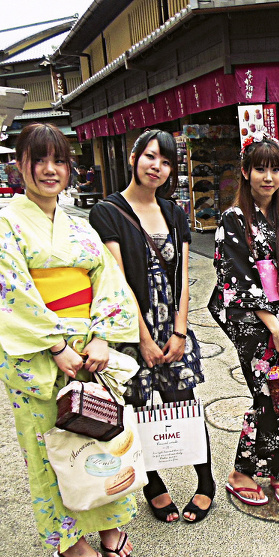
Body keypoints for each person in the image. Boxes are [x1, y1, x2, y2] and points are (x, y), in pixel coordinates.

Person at [0, 123, 138, 557]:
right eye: (39, 160)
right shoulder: (5, 225)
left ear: (70, 169)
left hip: (89, 351)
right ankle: (71, 541)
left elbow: (107, 281)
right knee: (52, 447)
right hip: (42, 354)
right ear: (20, 166)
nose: (50, 170)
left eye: (59, 161)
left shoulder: (78, 227)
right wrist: (56, 345)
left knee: (100, 437)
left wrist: (103, 336)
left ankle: (109, 522)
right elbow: (7, 295)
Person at [89, 130, 213, 524]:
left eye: (165, 160)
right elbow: (118, 281)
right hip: (132, 329)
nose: (156, 166)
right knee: (139, 408)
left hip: (171, 326)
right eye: (150, 156)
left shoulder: (174, 212)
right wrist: (143, 339)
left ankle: (205, 481)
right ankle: (153, 484)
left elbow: (182, 277)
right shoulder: (107, 212)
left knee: (185, 403)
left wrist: (179, 331)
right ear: (133, 157)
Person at [209, 134, 279, 506]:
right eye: (260, 168)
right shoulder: (233, 219)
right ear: (245, 172)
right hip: (256, 321)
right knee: (268, 393)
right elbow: (238, 277)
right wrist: (274, 328)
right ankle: (242, 472)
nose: (268, 177)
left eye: (275, 168)